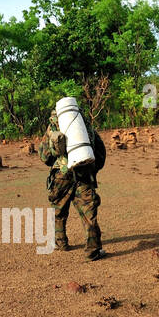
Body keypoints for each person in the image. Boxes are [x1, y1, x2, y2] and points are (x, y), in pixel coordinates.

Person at [38, 105, 105, 260]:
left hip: (61, 175)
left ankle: (61, 243)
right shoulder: (82, 124)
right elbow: (100, 151)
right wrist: (92, 170)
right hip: (84, 173)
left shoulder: (52, 127)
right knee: (89, 214)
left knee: (58, 210)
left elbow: (44, 157)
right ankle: (92, 251)